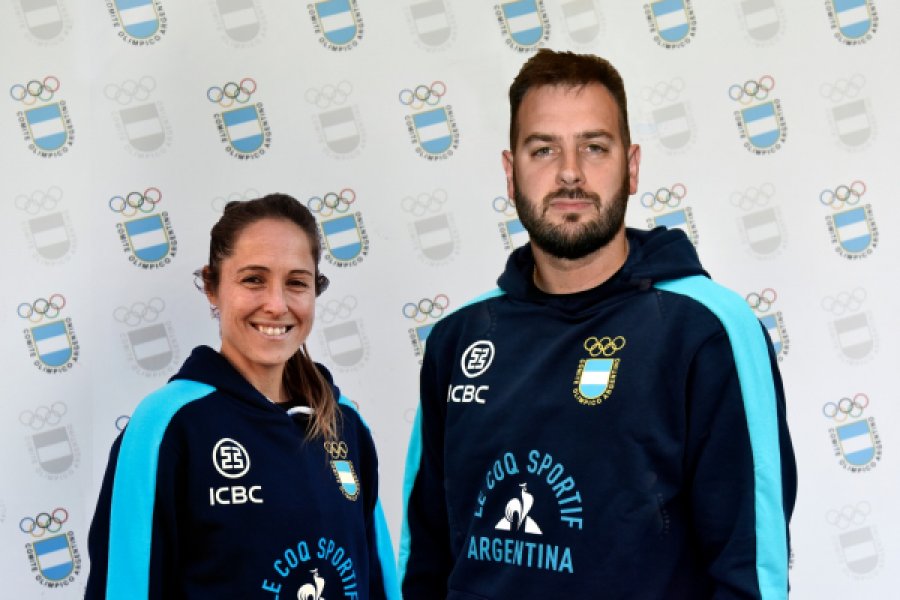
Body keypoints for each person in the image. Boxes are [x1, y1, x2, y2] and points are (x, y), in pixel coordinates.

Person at [400, 49, 797, 599]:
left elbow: (749, 569)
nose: (570, 172)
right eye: (544, 149)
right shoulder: (458, 339)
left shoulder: (707, 331)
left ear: (632, 167)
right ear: (510, 172)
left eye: (594, 147)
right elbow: (425, 557)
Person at [86, 194, 399, 599]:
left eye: (296, 283)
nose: (276, 304)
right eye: (254, 279)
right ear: (213, 288)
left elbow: (378, 580)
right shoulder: (167, 425)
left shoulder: (344, 422)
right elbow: (127, 587)